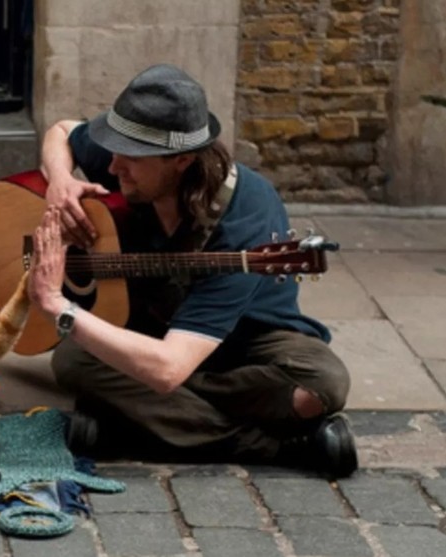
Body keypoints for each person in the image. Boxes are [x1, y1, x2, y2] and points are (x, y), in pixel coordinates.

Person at [26, 63, 358, 479]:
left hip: (246, 339)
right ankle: (272, 446)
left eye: (129, 158)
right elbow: (60, 131)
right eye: (113, 150)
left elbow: (168, 369)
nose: (112, 168)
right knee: (75, 359)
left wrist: (58, 305)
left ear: (181, 160)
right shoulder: (133, 155)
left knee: (321, 384)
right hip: (150, 325)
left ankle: (131, 423)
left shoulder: (244, 220)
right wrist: (59, 181)